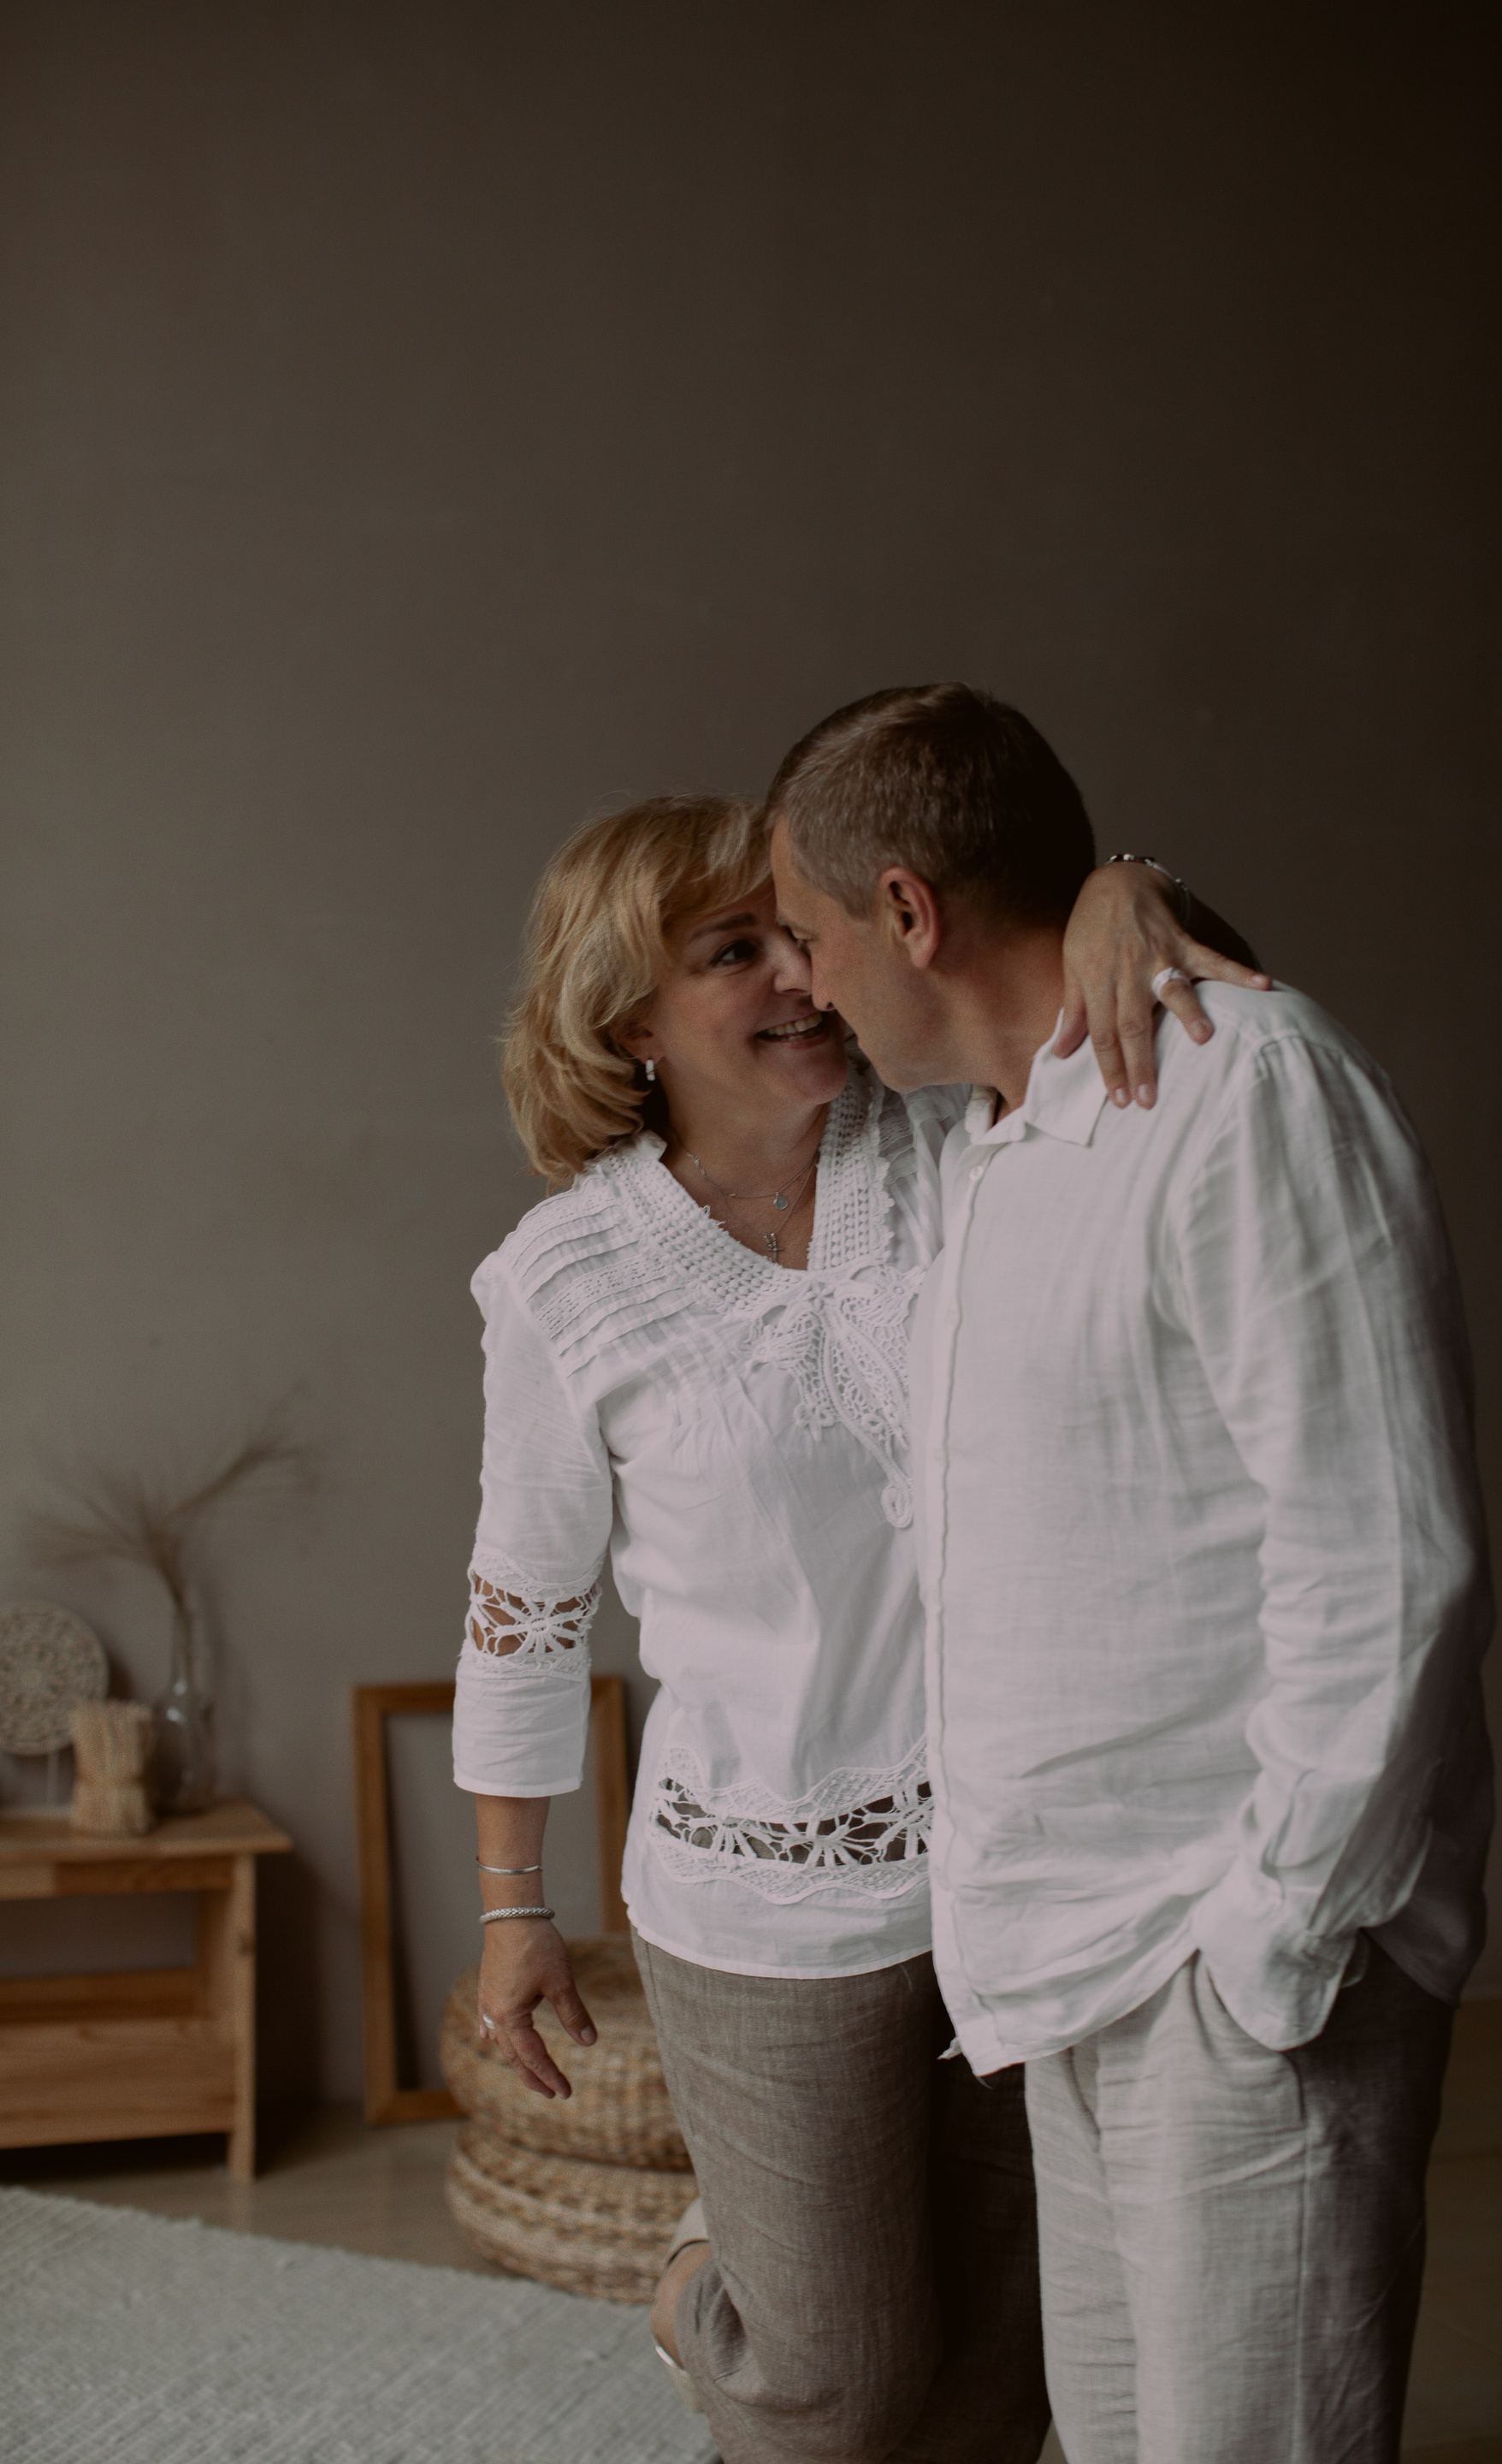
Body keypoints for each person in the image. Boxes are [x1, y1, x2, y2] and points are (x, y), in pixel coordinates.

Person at [452, 790, 1266, 2464]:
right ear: (630, 1018)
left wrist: (1126, 887)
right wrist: (512, 1905)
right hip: (764, 1895)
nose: (798, 976)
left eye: (797, 933)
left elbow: (1195, 1024)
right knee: (836, 2383)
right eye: (730, 951)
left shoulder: (966, 1138)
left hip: (1018, 1853)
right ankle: (697, 2287)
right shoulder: (563, 1281)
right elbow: (525, 1614)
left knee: (1004, 2361)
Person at [766, 684, 1494, 2464]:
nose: (800, 979)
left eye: (807, 933)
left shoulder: (1246, 1088)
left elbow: (1389, 1558)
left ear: (908, 913)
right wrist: (1125, 872)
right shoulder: (982, 1149)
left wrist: (1270, 1942)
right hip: (1066, 1966)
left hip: (1231, 1969)